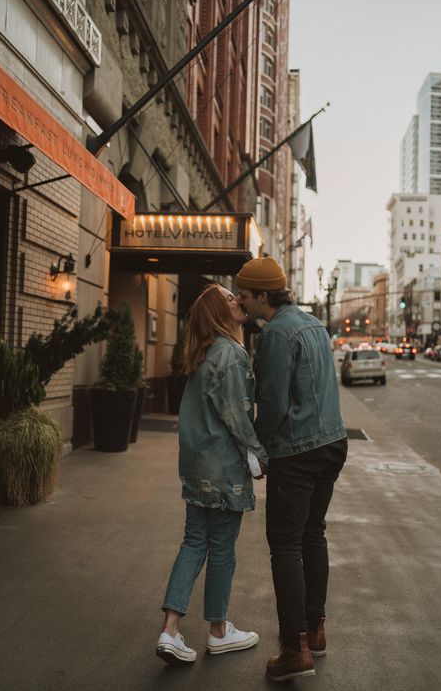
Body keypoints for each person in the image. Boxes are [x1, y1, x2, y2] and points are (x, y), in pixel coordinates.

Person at [236, 257, 348, 682]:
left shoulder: (276, 334)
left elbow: (275, 404)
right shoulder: (315, 324)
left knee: (285, 546)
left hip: (297, 453)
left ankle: (293, 649)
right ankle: (315, 632)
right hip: (331, 444)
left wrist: (257, 450)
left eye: (245, 295)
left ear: (263, 295)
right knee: (311, 534)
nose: (243, 303)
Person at [156, 284, 268, 665]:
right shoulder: (231, 355)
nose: (237, 300)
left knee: (193, 543)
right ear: (218, 315)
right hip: (223, 468)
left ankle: (170, 630)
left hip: (196, 467)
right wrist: (257, 455)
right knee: (221, 550)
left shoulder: (202, 355)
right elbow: (237, 414)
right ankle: (219, 633)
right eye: (228, 299)